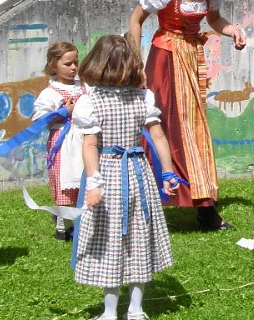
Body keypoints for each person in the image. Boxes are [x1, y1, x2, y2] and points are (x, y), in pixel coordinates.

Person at [128, 0, 246, 231]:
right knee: (162, 126)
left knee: (195, 128)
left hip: (192, 58)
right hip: (165, 59)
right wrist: (135, 63)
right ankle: (150, 199)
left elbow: (215, 18)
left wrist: (232, 29)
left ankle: (204, 205)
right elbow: (136, 19)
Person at [72, 35, 180, 320]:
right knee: (133, 239)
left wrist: (94, 182)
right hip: (134, 173)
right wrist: (167, 172)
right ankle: (129, 309)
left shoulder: (95, 100)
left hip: (112, 173)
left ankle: (123, 311)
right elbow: (157, 137)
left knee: (117, 242)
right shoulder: (135, 98)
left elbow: (90, 145)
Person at [32, 41, 84, 240]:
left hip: (83, 138)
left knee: (83, 180)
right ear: (54, 65)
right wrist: (64, 112)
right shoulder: (50, 93)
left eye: (75, 63)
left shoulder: (83, 88)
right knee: (64, 183)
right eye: (67, 64)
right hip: (62, 141)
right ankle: (64, 225)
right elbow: (39, 120)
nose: (73, 68)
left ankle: (85, 222)